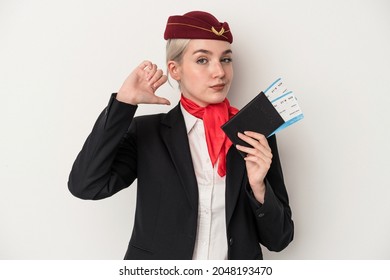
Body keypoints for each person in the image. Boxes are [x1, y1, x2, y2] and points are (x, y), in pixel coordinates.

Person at [68, 11, 294, 260]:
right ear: (175, 69)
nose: (219, 72)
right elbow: (86, 185)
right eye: (202, 60)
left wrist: (258, 187)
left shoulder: (255, 133)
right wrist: (124, 103)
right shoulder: (146, 132)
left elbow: (279, 239)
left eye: (226, 59)